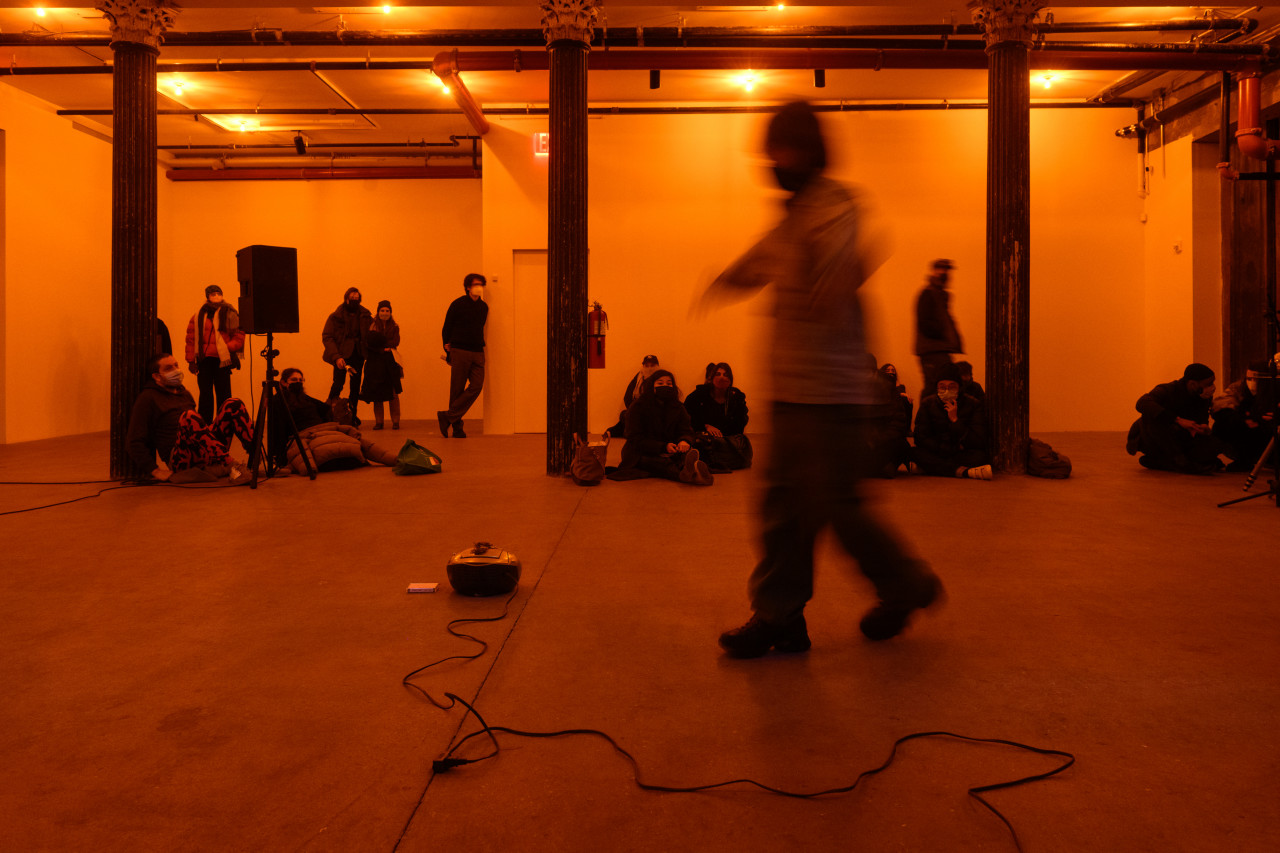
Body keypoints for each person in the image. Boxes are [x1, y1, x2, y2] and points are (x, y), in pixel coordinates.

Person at [702, 101, 942, 658]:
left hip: (830, 395)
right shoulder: (792, 217)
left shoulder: (835, 205)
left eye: (780, 150)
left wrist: (828, 283)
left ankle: (906, 583)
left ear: (808, 152)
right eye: (768, 151)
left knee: (839, 507)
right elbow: (760, 261)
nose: (771, 161)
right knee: (782, 511)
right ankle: (780, 617)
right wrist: (725, 281)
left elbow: (836, 264)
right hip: (790, 392)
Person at [125, 353, 252, 482]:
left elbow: (199, 430)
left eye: (176, 366)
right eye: (169, 368)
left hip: (202, 451)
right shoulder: (148, 398)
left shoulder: (184, 394)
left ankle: (255, 456)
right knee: (188, 416)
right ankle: (232, 466)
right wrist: (155, 470)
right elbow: (133, 441)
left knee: (233, 404)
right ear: (157, 377)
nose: (175, 370)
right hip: (180, 458)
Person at [610, 370, 713, 485]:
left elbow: (686, 430)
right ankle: (686, 475)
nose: (665, 386)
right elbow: (634, 439)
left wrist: (684, 441)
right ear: (652, 387)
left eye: (669, 384)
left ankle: (693, 472)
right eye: (660, 383)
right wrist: (663, 447)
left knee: (685, 456)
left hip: (672, 450)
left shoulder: (678, 407)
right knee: (660, 463)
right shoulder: (638, 407)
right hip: (641, 453)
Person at [1125, 363, 1220, 474]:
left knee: (1214, 448)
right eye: (1208, 384)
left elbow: (1202, 415)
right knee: (1152, 416)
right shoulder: (1167, 390)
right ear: (1193, 384)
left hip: (1182, 436)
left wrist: (1203, 426)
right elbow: (1142, 403)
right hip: (1157, 437)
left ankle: (1161, 461)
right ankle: (1180, 461)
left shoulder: (1203, 395)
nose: (1212, 387)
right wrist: (1178, 420)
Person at [912, 364, 992, 479]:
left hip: (959, 453)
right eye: (942, 387)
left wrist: (955, 420)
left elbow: (978, 440)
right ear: (937, 388)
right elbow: (920, 437)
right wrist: (945, 449)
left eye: (952, 387)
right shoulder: (928, 404)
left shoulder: (973, 404)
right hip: (938, 450)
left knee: (980, 457)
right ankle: (964, 472)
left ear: (959, 387)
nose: (947, 391)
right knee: (914, 452)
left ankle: (931, 468)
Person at [184, 285, 245, 423]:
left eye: (218, 293)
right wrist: (190, 361)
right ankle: (204, 425)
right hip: (204, 360)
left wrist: (228, 347)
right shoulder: (198, 315)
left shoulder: (230, 313)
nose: (216, 296)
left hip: (222, 360)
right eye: (213, 293)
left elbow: (239, 334)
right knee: (205, 395)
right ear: (207, 296)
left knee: (224, 395)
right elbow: (190, 339)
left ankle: (224, 423)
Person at [438, 273, 488, 438]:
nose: (478, 287)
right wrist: (448, 350)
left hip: (478, 351)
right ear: (467, 287)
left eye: (481, 284)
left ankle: (448, 416)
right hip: (460, 350)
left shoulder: (483, 307)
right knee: (457, 390)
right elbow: (447, 327)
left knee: (477, 386)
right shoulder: (457, 304)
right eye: (475, 284)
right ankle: (457, 428)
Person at [684, 362, 752, 470]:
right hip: (704, 436)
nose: (721, 377)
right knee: (700, 442)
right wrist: (705, 426)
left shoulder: (736, 397)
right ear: (711, 378)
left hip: (727, 439)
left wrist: (721, 435)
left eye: (725, 375)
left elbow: (739, 424)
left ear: (730, 380)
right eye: (718, 374)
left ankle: (713, 461)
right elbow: (687, 417)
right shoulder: (699, 395)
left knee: (743, 442)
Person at [322, 287, 372, 426]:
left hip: (358, 354)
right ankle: (327, 415)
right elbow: (327, 337)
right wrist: (336, 357)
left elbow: (373, 333)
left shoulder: (365, 315)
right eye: (352, 298)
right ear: (346, 299)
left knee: (355, 387)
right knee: (338, 384)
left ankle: (352, 416)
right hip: (341, 354)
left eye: (357, 299)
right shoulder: (335, 316)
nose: (355, 301)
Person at [1212, 360, 1275, 470]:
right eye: (1249, 379)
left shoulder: (1274, 388)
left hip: (1270, 435)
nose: (1252, 382)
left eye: (1256, 379)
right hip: (1248, 432)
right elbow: (1220, 406)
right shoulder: (1239, 387)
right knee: (1221, 426)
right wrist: (1244, 420)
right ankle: (1243, 460)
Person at [914, 258, 963, 397]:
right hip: (933, 350)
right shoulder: (928, 294)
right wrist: (943, 333)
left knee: (942, 388)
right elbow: (924, 323)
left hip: (938, 349)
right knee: (935, 387)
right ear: (934, 271)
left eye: (947, 270)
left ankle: (943, 417)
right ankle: (927, 418)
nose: (945, 273)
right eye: (942, 269)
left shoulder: (938, 294)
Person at [362, 301, 403, 430]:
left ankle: (395, 421)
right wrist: (383, 347)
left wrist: (381, 343)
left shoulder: (395, 326)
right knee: (376, 393)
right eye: (382, 310)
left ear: (390, 312)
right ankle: (379, 422)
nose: (384, 313)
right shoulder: (372, 325)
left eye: (387, 311)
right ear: (378, 312)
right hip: (375, 362)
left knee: (393, 393)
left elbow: (396, 341)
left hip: (390, 363)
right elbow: (369, 342)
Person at [870, 362, 914, 477]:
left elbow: (897, 426)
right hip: (870, 442)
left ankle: (884, 466)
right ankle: (882, 467)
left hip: (886, 440)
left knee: (904, 447)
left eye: (893, 371)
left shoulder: (894, 395)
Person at [605, 354, 660, 438]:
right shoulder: (639, 377)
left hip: (654, 411)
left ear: (657, 366)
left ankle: (627, 432)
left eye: (652, 365)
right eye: (647, 365)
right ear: (643, 366)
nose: (649, 368)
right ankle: (625, 430)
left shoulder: (662, 378)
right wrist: (633, 409)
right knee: (625, 414)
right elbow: (628, 395)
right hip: (638, 409)